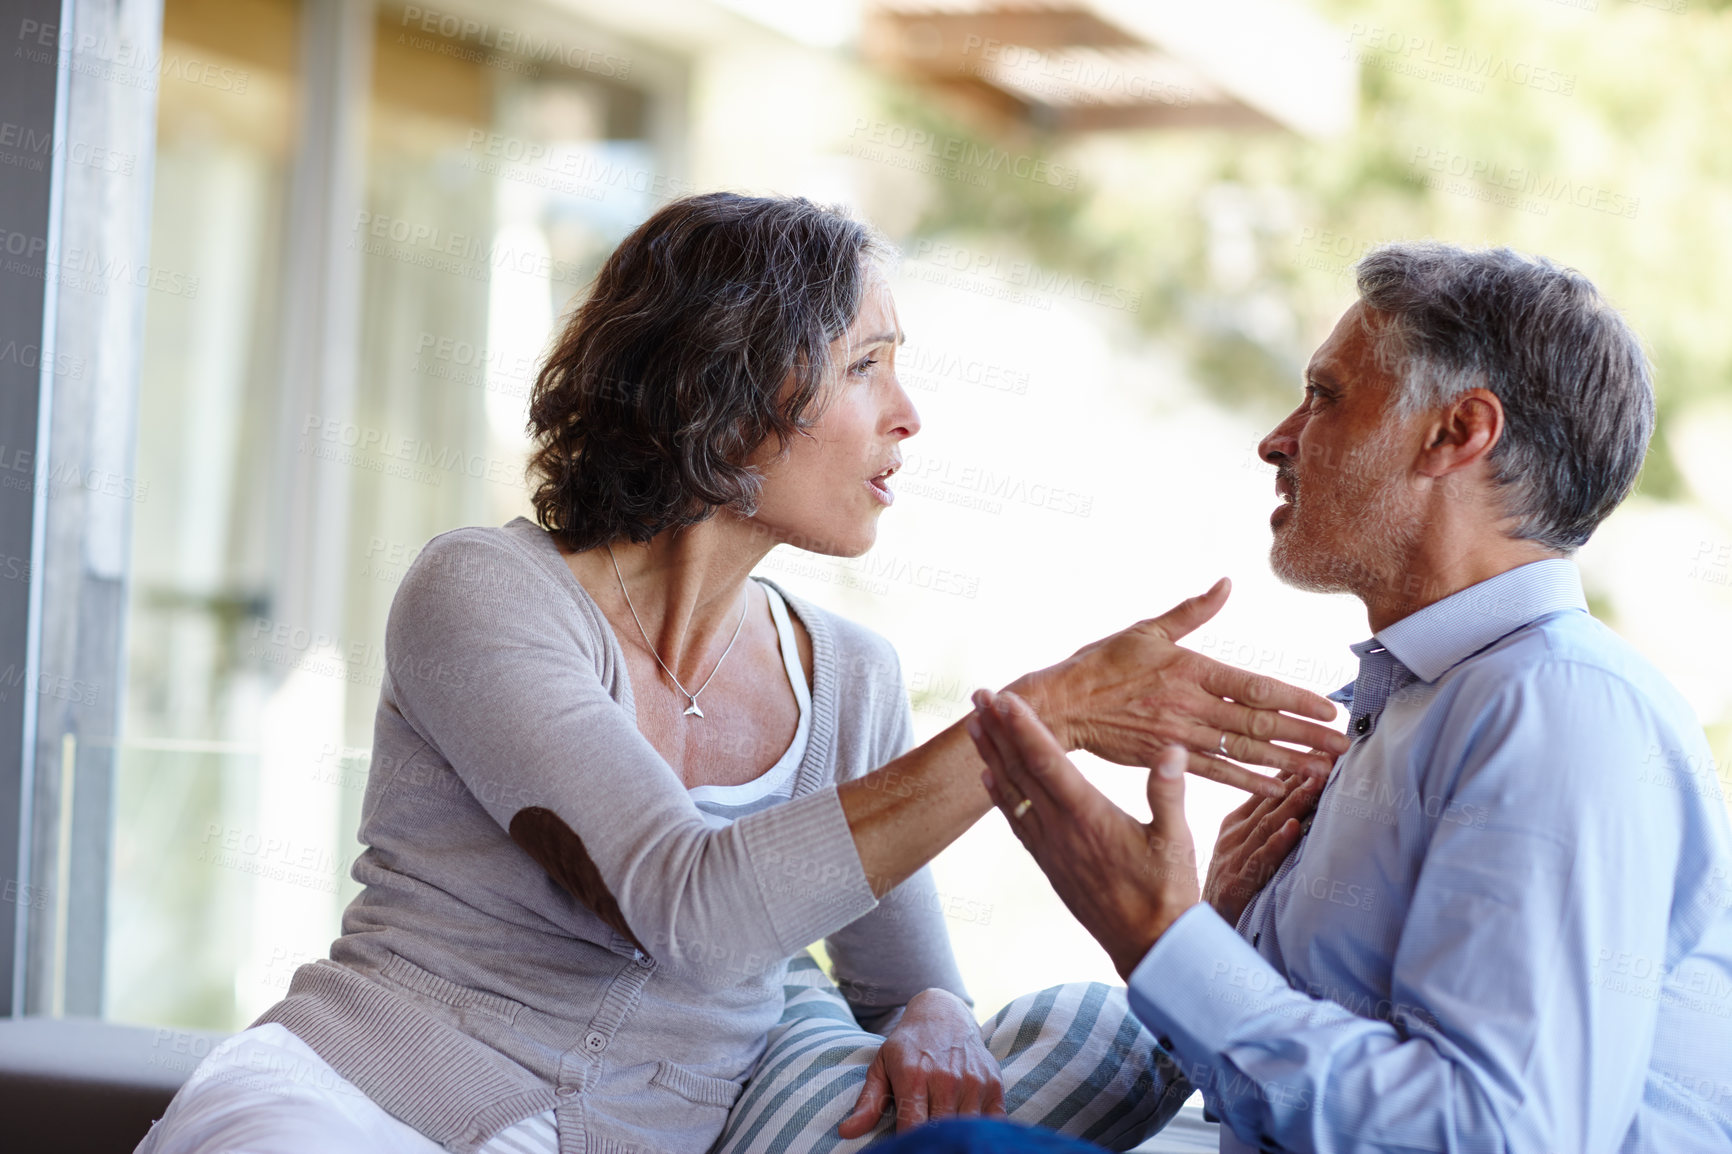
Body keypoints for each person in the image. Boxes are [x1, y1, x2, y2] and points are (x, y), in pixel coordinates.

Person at [134, 193, 1349, 1154]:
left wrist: (929, 1013)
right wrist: (1047, 715)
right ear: (726, 385)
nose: (910, 414)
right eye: (867, 364)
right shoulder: (485, 593)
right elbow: (691, 905)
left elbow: (902, 984)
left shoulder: (852, 678)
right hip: (353, 1102)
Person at [946, 242, 1732, 1153]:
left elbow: (1501, 1133)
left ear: (1457, 433)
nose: (1275, 439)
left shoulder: (1559, 707)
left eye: (1324, 396)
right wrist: (1210, 943)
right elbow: (1281, 1090)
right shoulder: (1403, 703)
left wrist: (1164, 941)